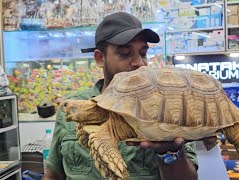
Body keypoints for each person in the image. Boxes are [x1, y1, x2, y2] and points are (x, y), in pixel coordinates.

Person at [44, 12, 217, 180]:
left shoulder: (167, 106)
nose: (139, 63)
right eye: (125, 53)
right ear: (100, 58)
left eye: (143, 53)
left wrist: (169, 152)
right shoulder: (74, 108)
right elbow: (53, 175)